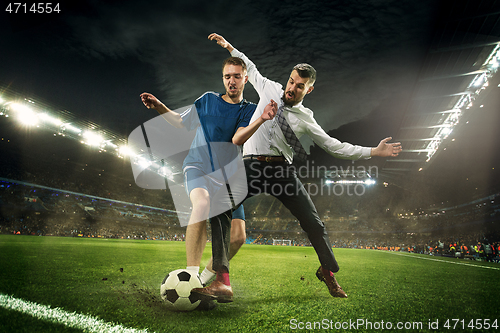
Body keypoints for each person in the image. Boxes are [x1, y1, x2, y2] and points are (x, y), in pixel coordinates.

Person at [192, 33, 402, 302]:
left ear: (308, 90)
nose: (291, 89)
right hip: (252, 166)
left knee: (314, 223)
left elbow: (335, 146)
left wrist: (374, 151)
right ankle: (222, 281)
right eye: (291, 81)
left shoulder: (306, 119)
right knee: (219, 205)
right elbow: (249, 65)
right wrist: (228, 46)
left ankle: (327, 271)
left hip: (282, 172)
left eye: (299, 86)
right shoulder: (268, 88)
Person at [140, 56, 277, 289]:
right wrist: (160, 106)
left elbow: (238, 138)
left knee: (238, 238)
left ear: (245, 78)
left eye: (236, 76)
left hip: (228, 179)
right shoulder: (207, 100)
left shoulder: (250, 110)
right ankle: (190, 273)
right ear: (222, 79)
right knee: (201, 204)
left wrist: (262, 119)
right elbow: (181, 122)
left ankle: (202, 279)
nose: (231, 81)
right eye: (227, 77)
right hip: (198, 166)